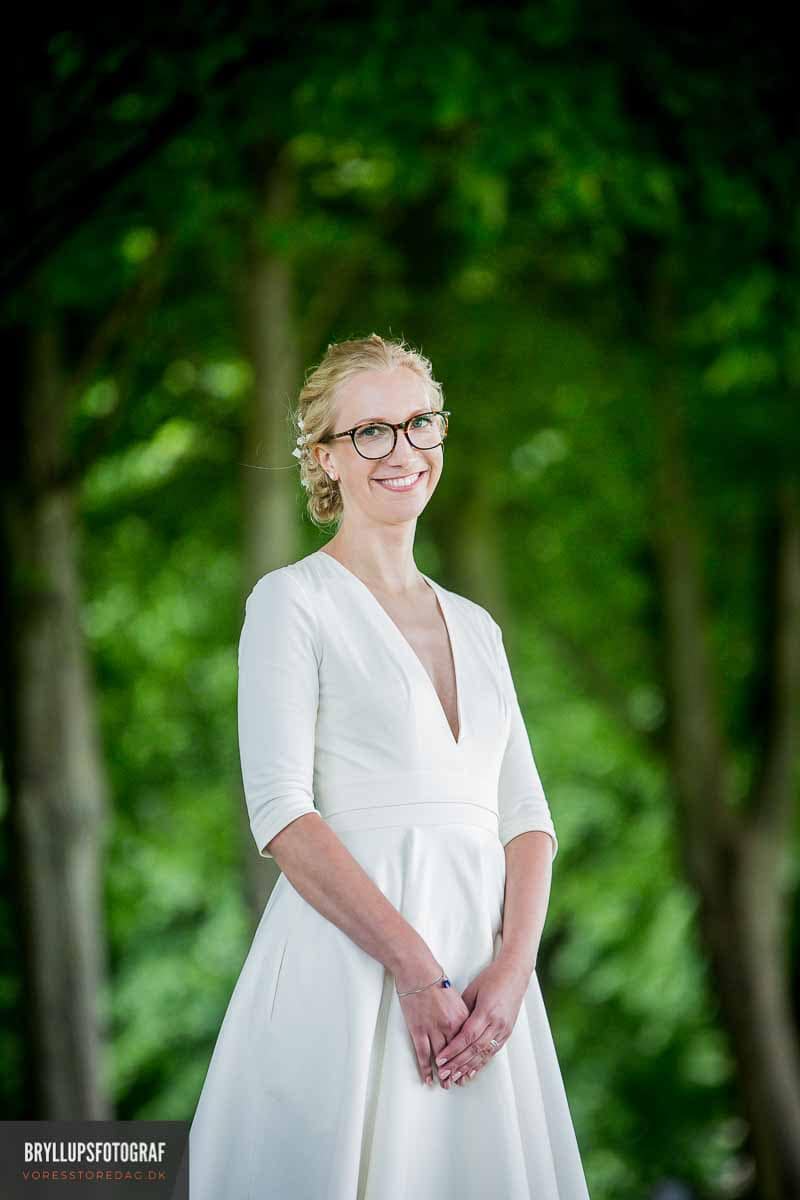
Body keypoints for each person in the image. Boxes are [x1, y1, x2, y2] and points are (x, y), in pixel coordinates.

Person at [188, 334, 591, 1199]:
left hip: (486, 994)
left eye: (419, 424)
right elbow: (282, 813)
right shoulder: (291, 602)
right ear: (324, 457)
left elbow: (526, 817)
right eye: (370, 431)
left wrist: (510, 976)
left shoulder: (477, 626)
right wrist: (414, 972)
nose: (402, 450)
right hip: (353, 974)